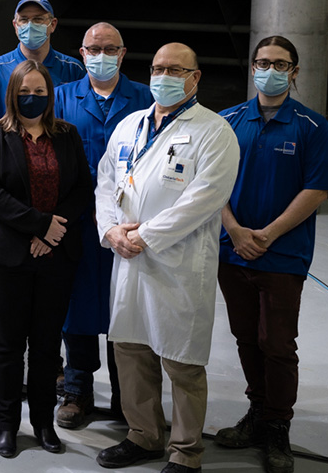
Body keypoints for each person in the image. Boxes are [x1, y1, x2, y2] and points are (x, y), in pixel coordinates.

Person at [94, 43, 240, 473]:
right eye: (158, 68)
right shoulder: (130, 125)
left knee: (182, 362)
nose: (164, 76)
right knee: (131, 351)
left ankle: (185, 451)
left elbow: (206, 198)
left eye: (176, 70)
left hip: (179, 263)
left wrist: (147, 235)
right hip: (128, 259)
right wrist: (110, 230)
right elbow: (106, 182)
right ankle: (144, 435)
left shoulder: (214, 131)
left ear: (195, 78)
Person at [216, 36, 328, 473]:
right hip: (232, 252)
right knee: (246, 337)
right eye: (263, 62)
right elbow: (210, 186)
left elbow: (317, 188)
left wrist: (266, 235)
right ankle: (256, 413)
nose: (271, 69)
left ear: (294, 71)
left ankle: (277, 427)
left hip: (282, 255)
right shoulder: (227, 121)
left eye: (280, 63)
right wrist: (234, 230)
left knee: (278, 344)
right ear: (252, 67)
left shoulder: (311, 127)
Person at [0, 60, 92, 458]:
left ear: (50, 95)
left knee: (45, 345)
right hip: (9, 255)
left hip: (55, 256)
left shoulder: (67, 135)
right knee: (8, 345)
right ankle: (7, 425)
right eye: (26, 91)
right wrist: (39, 226)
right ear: (12, 93)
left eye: (40, 92)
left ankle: (43, 424)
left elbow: (82, 190)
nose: (33, 97)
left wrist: (52, 232)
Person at [53, 22, 153, 429]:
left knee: (124, 310)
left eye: (110, 48)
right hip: (77, 223)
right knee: (76, 307)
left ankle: (126, 395)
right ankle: (76, 389)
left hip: (128, 227)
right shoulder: (61, 98)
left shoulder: (144, 98)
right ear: (81, 53)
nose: (101, 55)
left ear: (123, 53)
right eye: (94, 48)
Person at [0, 0, 84, 123]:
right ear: (15, 25)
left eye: (38, 19)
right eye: (23, 19)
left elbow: (81, 119)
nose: (30, 25)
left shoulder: (73, 69)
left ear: (53, 24)